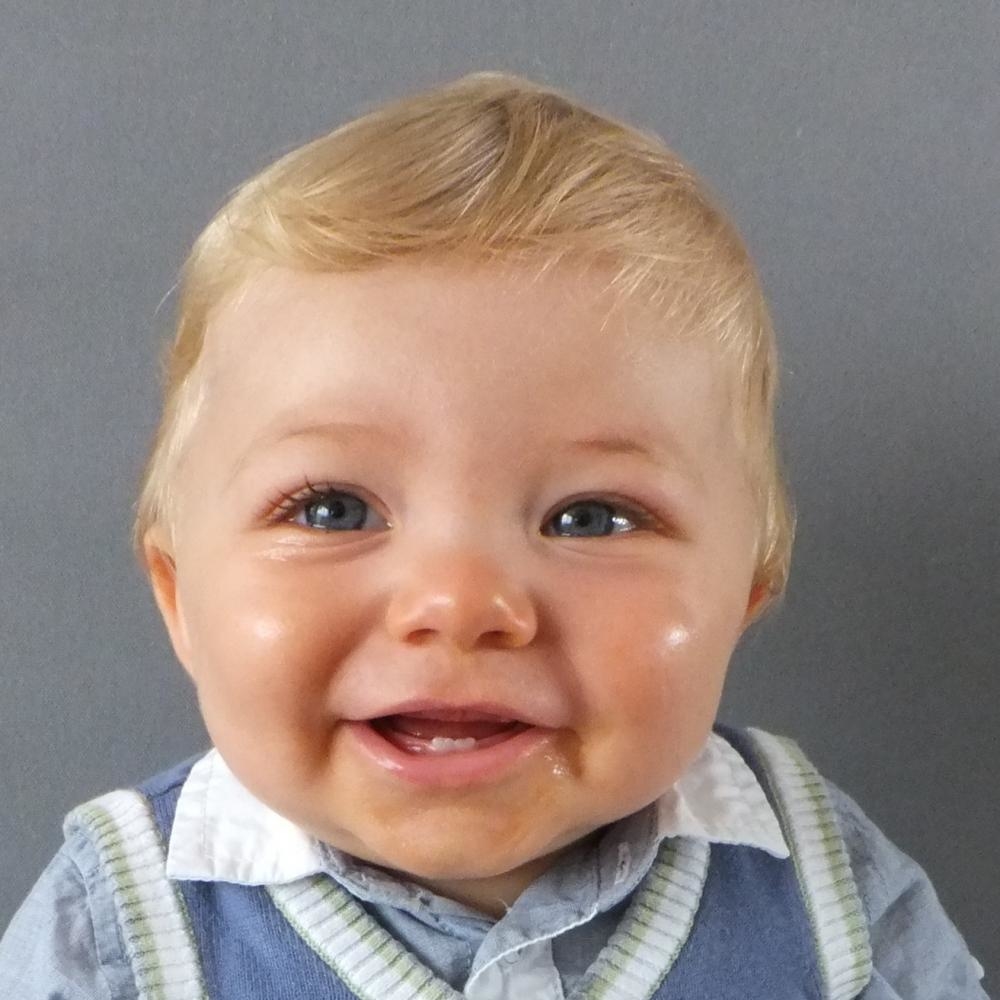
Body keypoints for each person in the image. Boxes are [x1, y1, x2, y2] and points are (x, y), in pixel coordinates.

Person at [0, 72, 987, 1000]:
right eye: (333, 509)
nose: (459, 600)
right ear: (179, 595)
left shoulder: (824, 892)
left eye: (590, 517)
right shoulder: (116, 936)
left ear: (745, 594)